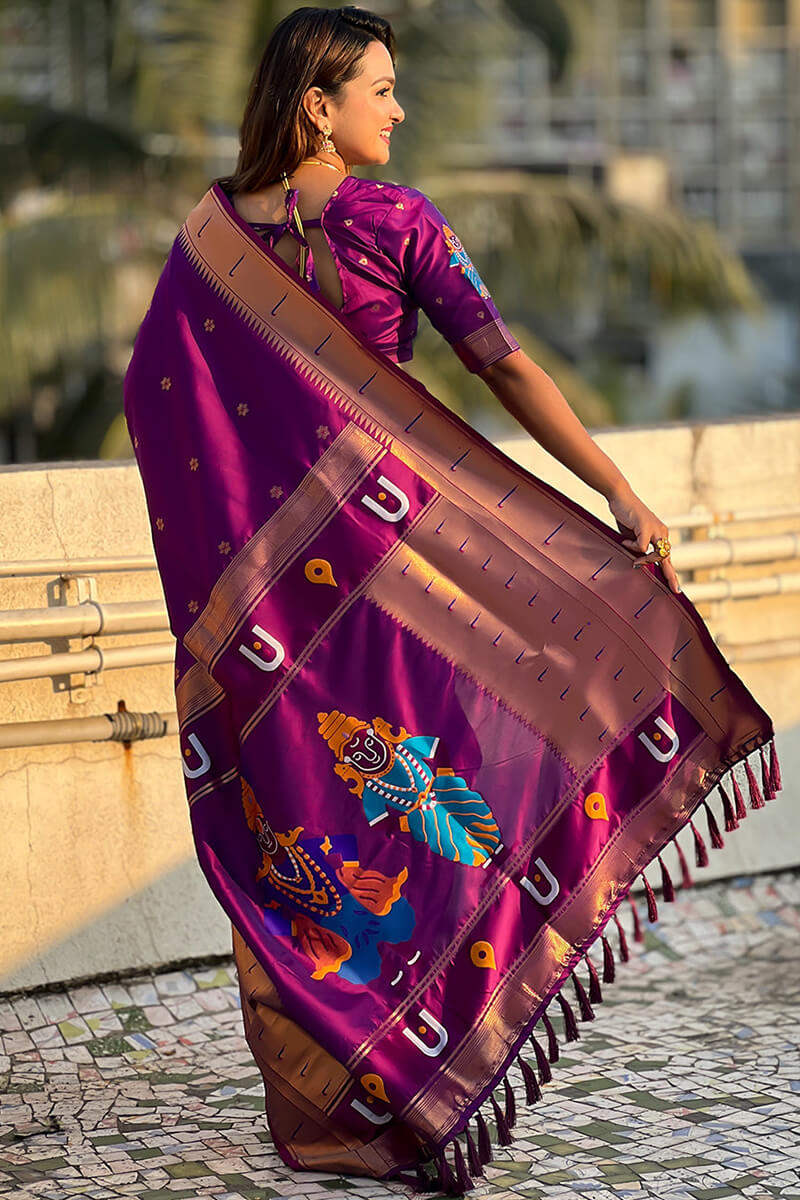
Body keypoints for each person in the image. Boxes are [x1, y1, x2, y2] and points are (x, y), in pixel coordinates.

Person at [124, 7, 779, 1195]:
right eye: (380, 88)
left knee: (314, 828)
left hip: (274, 623)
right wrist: (616, 490)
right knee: (438, 813)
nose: (399, 107)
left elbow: (155, 403)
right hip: (394, 588)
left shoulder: (207, 241)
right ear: (316, 106)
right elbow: (506, 366)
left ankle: (359, 1101)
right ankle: (424, 1074)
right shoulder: (389, 219)